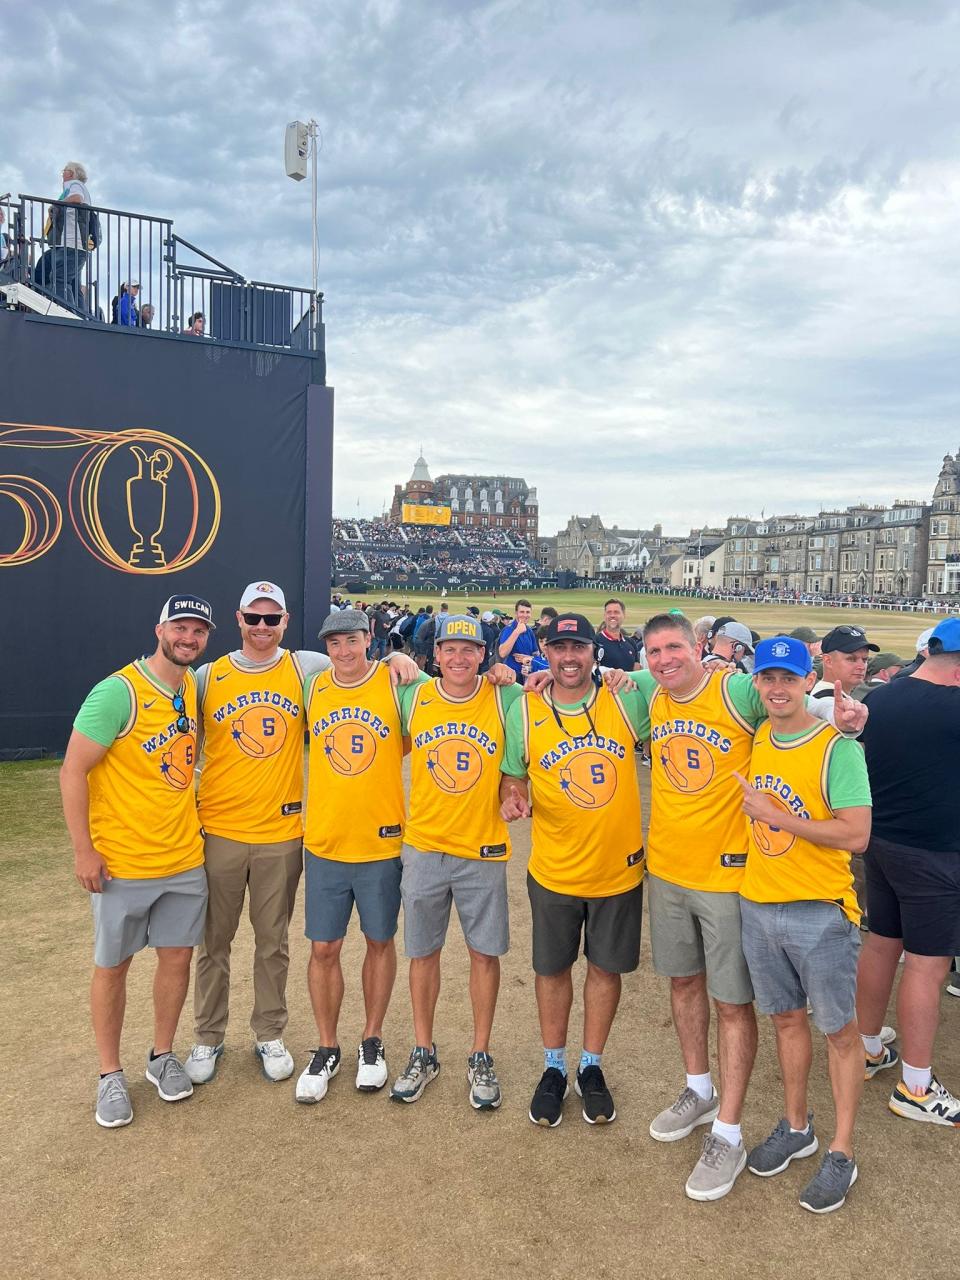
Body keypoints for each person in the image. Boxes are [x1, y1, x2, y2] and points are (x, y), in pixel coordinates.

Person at [590, 613, 867, 1201]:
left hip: (731, 877)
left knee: (733, 1003)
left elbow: (788, 702)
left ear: (699, 648)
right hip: (666, 870)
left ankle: (729, 1131)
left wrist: (843, 717)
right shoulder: (647, 693)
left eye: (674, 648)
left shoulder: (734, 688)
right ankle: (699, 1089)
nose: (665, 659)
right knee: (683, 985)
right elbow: (584, 680)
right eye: (654, 650)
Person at [59, 594, 215, 1128]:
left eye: (197, 631)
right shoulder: (117, 692)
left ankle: (162, 1055)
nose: (188, 638)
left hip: (182, 859)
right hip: (122, 863)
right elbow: (72, 771)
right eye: (180, 628)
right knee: (113, 967)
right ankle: (109, 1075)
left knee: (175, 961)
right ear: (159, 630)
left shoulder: (190, 687)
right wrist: (84, 849)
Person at [735, 636, 872, 1214]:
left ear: (805, 679)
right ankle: (798, 1126)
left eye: (788, 679)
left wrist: (779, 817)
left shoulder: (837, 748)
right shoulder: (761, 734)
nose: (776, 688)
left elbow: (856, 834)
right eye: (767, 678)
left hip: (820, 912)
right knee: (786, 1021)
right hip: (759, 905)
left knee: (840, 1032)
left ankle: (841, 1150)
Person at [501, 614, 647, 1129]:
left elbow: (691, 685)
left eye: (578, 647)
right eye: (559, 647)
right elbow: (512, 774)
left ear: (594, 651)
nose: (568, 657)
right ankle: (553, 1066)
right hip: (554, 870)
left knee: (605, 970)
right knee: (552, 971)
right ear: (545, 649)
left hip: (618, 871)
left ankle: (591, 1065)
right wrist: (512, 798)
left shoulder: (627, 697)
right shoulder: (525, 705)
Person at [389, 616, 520, 1108]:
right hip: (424, 846)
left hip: (481, 849)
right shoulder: (414, 696)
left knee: (484, 954)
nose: (460, 659)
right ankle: (423, 1049)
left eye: (470, 650)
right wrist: (390, 656)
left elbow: (528, 742)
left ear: (483, 655)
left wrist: (513, 790)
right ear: (436, 654)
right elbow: (365, 677)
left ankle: (480, 1052)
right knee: (423, 952)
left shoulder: (504, 698)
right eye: (451, 649)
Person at [295, 611, 413, 1102]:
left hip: (380, 841)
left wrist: (404, 657)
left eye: (353, 640)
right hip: (324, 841)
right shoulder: (314, 687)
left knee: (378, 942)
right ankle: (326, 1046)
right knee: (324, 948)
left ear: (370, 640)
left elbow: (454, 692)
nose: (344, 651)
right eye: (335, 642)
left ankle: (372, 1039)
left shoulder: (398, 684)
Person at [855, 617, 960, 1126]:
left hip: (882, 842)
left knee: (882, 944)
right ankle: (916, 1085)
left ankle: (868, 1047)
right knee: (927, 963)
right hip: (935, 854)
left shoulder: (882, 698)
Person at [33, 162, 91, 308]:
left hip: (70, 243)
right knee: (72, 283)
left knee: (58, 278)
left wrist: (57, 204)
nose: (62, 175)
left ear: (71, 173)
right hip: (76, 245)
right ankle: (77, 316)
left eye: (64, 171)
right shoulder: (76, 186)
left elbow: (77, 198)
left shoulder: (73, 184)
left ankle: (68, 314)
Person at [810, 626, 879, 698]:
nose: (861, 667)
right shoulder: (830, 704)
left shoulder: (835, 698)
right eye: (851, 659)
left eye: (865, 660)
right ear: (828, 661)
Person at [497, 598, 539, 683]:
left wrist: (528, 658)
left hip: (527, 675)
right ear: (516, 613)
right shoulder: (509, 629)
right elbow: (502, 653)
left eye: (527, 612)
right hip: (512, 678)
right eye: (522, 612)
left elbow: (536, 653)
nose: (525, 615)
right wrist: (517, 631)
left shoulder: (529, 630)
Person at [596, 598, 640, 672]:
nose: (612, 615)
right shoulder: (595, 642)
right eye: (609, 612)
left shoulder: (631, 643)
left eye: (616, 612)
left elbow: (636, 671)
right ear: (604, 616)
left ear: (624, 615)